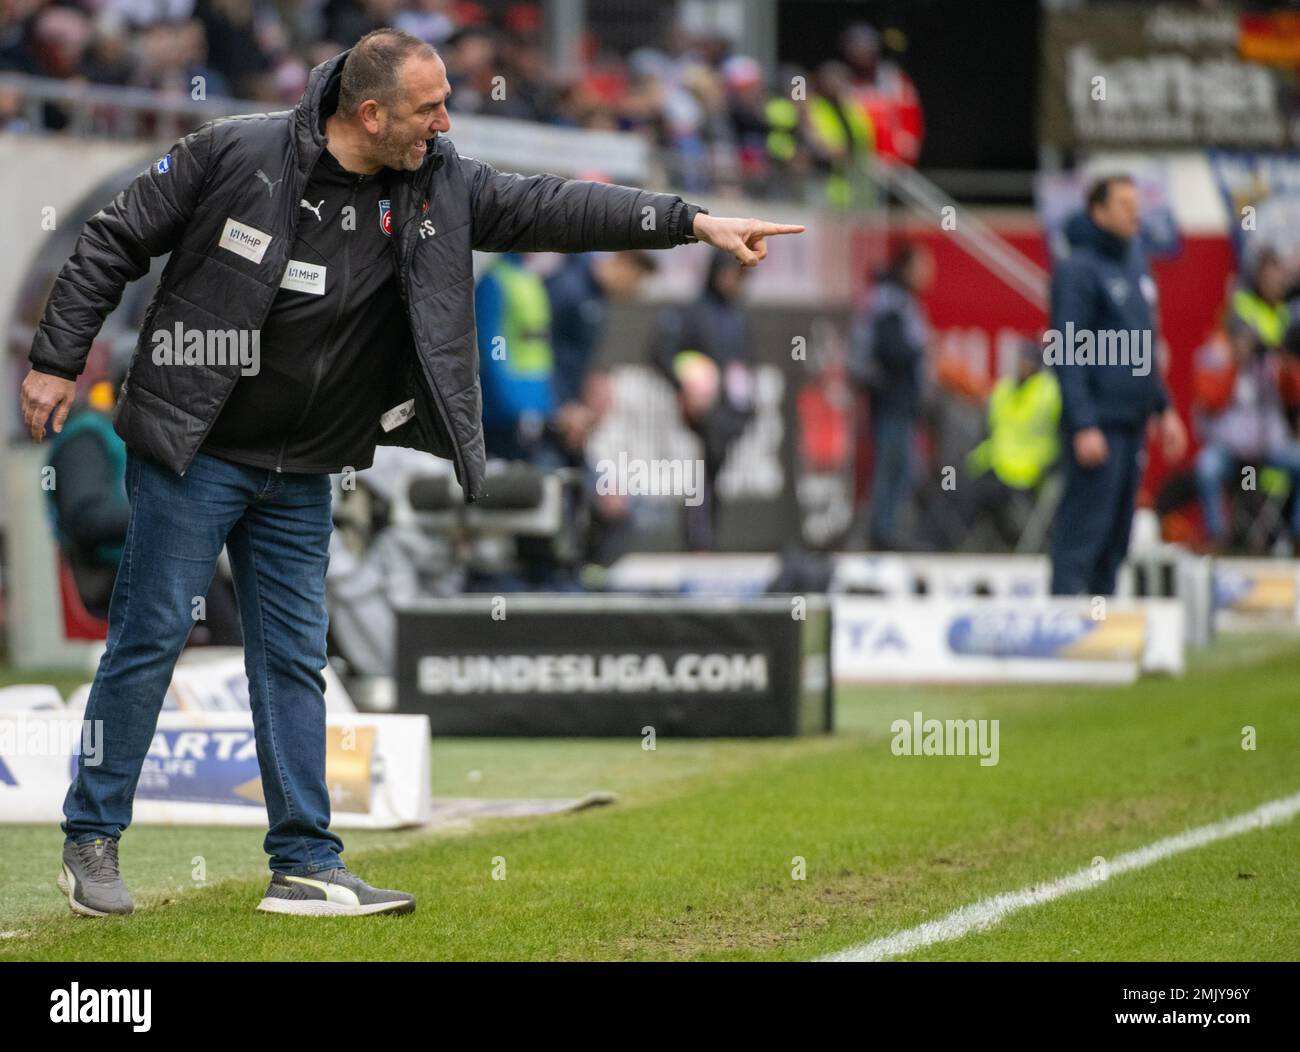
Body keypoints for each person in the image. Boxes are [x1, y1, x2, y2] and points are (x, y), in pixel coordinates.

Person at [21, 27, 803, 919]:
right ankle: (92, 839)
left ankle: (305, 863)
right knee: (151, 635)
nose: (446, 120)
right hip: (195, 449)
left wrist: (691, 221)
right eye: (429, 107)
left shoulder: (440, 183)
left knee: (294, 661)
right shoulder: (236, 151)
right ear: (371, 112)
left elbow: (558, 208)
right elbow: (113, 238)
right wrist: (55, 359)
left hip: (306, 466)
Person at [1048, 174, 1186, 595]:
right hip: (1100, 426)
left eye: (1137, 203)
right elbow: (1067, 351)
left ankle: (1102, 627)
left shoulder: (1135, 263)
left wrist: (1164, 407)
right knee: (1084, 531)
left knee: (1116, 537)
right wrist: (1084, 422)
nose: (1135, 211)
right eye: (1124, 203)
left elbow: (1142, 346)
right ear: (1098, 211)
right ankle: (1068, 623)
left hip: (1132, 422)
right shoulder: (1077, 270)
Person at [1193, 247, 1300, 551]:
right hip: (1230, 448)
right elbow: (1209, 402)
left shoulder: (1270, 357)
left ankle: (1296, 537)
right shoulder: (1216, 356)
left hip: (1267, 445)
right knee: (1206, 469)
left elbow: (1291, 395)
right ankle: (1217, 537)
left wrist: (1281, 363)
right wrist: (1234, 364)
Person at [652, 250, 757, 550]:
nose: (735, 282)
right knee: (698, 480)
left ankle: (708, 541)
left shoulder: (738, 316)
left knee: (714, 480)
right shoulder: (693, 313)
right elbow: (662, 353)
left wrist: (746, 408)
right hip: (697, 417)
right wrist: (686, 384)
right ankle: (697, 543)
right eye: (730, 274)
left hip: (727, 416)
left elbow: (745, 366)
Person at [849, 242, 934, 550]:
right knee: (892, 467)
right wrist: (917, 351)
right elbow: (892, 351)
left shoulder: (900, 300)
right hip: (891, 401)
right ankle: (882, 534)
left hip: (900, 402)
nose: (929, 273)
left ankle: (892, 530)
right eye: (923, 265)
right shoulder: (890, 302)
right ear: (907, 267)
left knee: (905, 469)